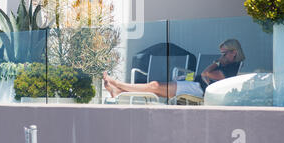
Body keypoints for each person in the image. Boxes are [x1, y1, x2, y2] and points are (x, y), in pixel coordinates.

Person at [103, 39, 245, 100]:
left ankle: (119, 84)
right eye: (221, 54)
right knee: (156, 88)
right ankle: (119, 91)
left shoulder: (232, 68)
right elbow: (201, 75)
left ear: (234, 52)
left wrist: (216, 62)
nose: (222, 56)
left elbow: (206, 73)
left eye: (224, 53)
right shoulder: (228, 65)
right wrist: (186, 77)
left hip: (197, 89)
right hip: (193, 83)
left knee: (155, 86)